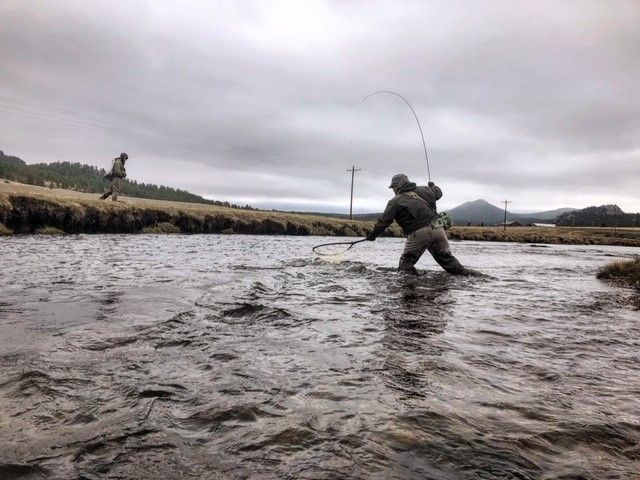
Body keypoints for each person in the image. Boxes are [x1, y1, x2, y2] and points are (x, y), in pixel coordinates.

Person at [366, 173, 466, 275]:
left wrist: (372, 235)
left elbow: (384, 222)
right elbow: (438, 193)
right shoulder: (426, 190)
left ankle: (410, 287)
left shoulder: (395, 201)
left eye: (394, 187)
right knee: (448, 260)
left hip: (419, 233)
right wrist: (432, 186)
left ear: (399, 185)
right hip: (438, 229)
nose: (393, 190)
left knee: (406, 263)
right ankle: (467, 277)